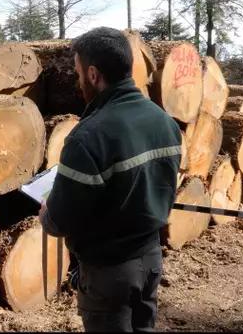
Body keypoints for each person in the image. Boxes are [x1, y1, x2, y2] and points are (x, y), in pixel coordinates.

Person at [38, 27, 182, 332]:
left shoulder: (88, 137)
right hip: (151, 259)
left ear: (93, 74)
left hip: (109, 272)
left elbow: (62, 221)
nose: (78, 82)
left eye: (78, 73)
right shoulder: (165, 122)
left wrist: (47, 216)